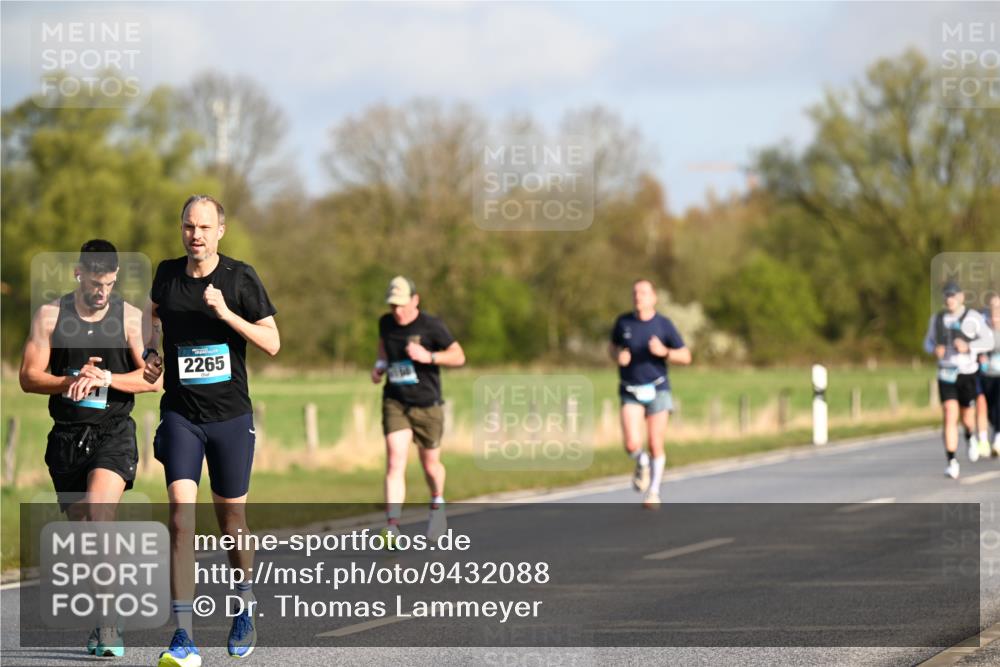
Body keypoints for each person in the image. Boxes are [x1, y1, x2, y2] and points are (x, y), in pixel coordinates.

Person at [144, 195, 279, 667]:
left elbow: (273, 343)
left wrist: (227, 314)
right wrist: (150, 349)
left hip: (230, 418)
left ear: (220, 230)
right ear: (180, 229)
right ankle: (183, 635)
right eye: (187, 226)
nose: (195, 235)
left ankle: (244, 604)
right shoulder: (166, 273)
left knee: (230, 523)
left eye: (203, 227)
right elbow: (152, 312)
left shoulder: (240, 278)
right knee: (180, 517)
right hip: (181, 415)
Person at [19, 239, 160, 658]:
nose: (103, 292)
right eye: (96, 283)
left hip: (113, 432)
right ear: (79, 273)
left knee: (101, 515)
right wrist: (69, 381)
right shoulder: (51, 316)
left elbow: (152, 379)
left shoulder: (130, 319)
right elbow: (28, 377)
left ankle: (109, 622)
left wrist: (106, 379)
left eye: (110, 284)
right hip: (66, 437)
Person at [371, 276, 465, 547]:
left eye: (401, 305)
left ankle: (437, 502)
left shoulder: (431, 325)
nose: (397, 311)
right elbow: (383, 348)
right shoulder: (385, 323)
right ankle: (392, 527)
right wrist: (379, 366)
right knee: (394, 459)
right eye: (392, 306)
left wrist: (430, 357)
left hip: (427, 403)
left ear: (415, 300)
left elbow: (459, 356)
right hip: (396, 400)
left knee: (430, 465)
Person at [610, 279, 691, 508]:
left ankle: (654, 491)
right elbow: (612, 347)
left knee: (656, 442)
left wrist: (664, 351)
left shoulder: (663, 325)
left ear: (653, 298)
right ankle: (641, 461)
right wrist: (617, 357)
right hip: (630, 389)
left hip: (657, 389)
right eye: (635, 293)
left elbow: (685, 356)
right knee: (631, 443)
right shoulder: (623, 322)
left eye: (644, 293)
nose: (638, 297)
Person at [923, 281, 994, 479]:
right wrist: (934, 349)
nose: (949, 299)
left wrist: (969, 347)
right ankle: (951, 461)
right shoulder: (937, 319)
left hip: (967, 373)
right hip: (946, 373)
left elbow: (988, 340)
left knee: (967, 417)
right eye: (946, 295)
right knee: (949, 413)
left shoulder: (972, 318)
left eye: (953, 295)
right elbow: (927, 342)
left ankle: (970, 436)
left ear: (961, 297)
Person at [979, 292, 1000, 458]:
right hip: (986, 374)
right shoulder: (981, 324)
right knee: (989, 411)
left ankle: (998, 438)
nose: (995, 311)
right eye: (992, 307)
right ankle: (994, 429)